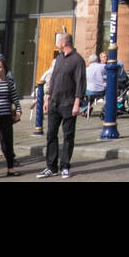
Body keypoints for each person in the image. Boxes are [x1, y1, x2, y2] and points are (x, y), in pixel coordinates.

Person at [38, 33, 85, 178]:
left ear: (64, 43)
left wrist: (77, 103)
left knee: (68, 136)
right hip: (54, 103)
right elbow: (53, 80)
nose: (56, 44)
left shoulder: (78, 60)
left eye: (57, 42)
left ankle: (65, 166)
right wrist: (47, 98)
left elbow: (80, 83)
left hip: (69, 103)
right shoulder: (58, 59)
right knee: (51, 134)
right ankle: (51, 167)